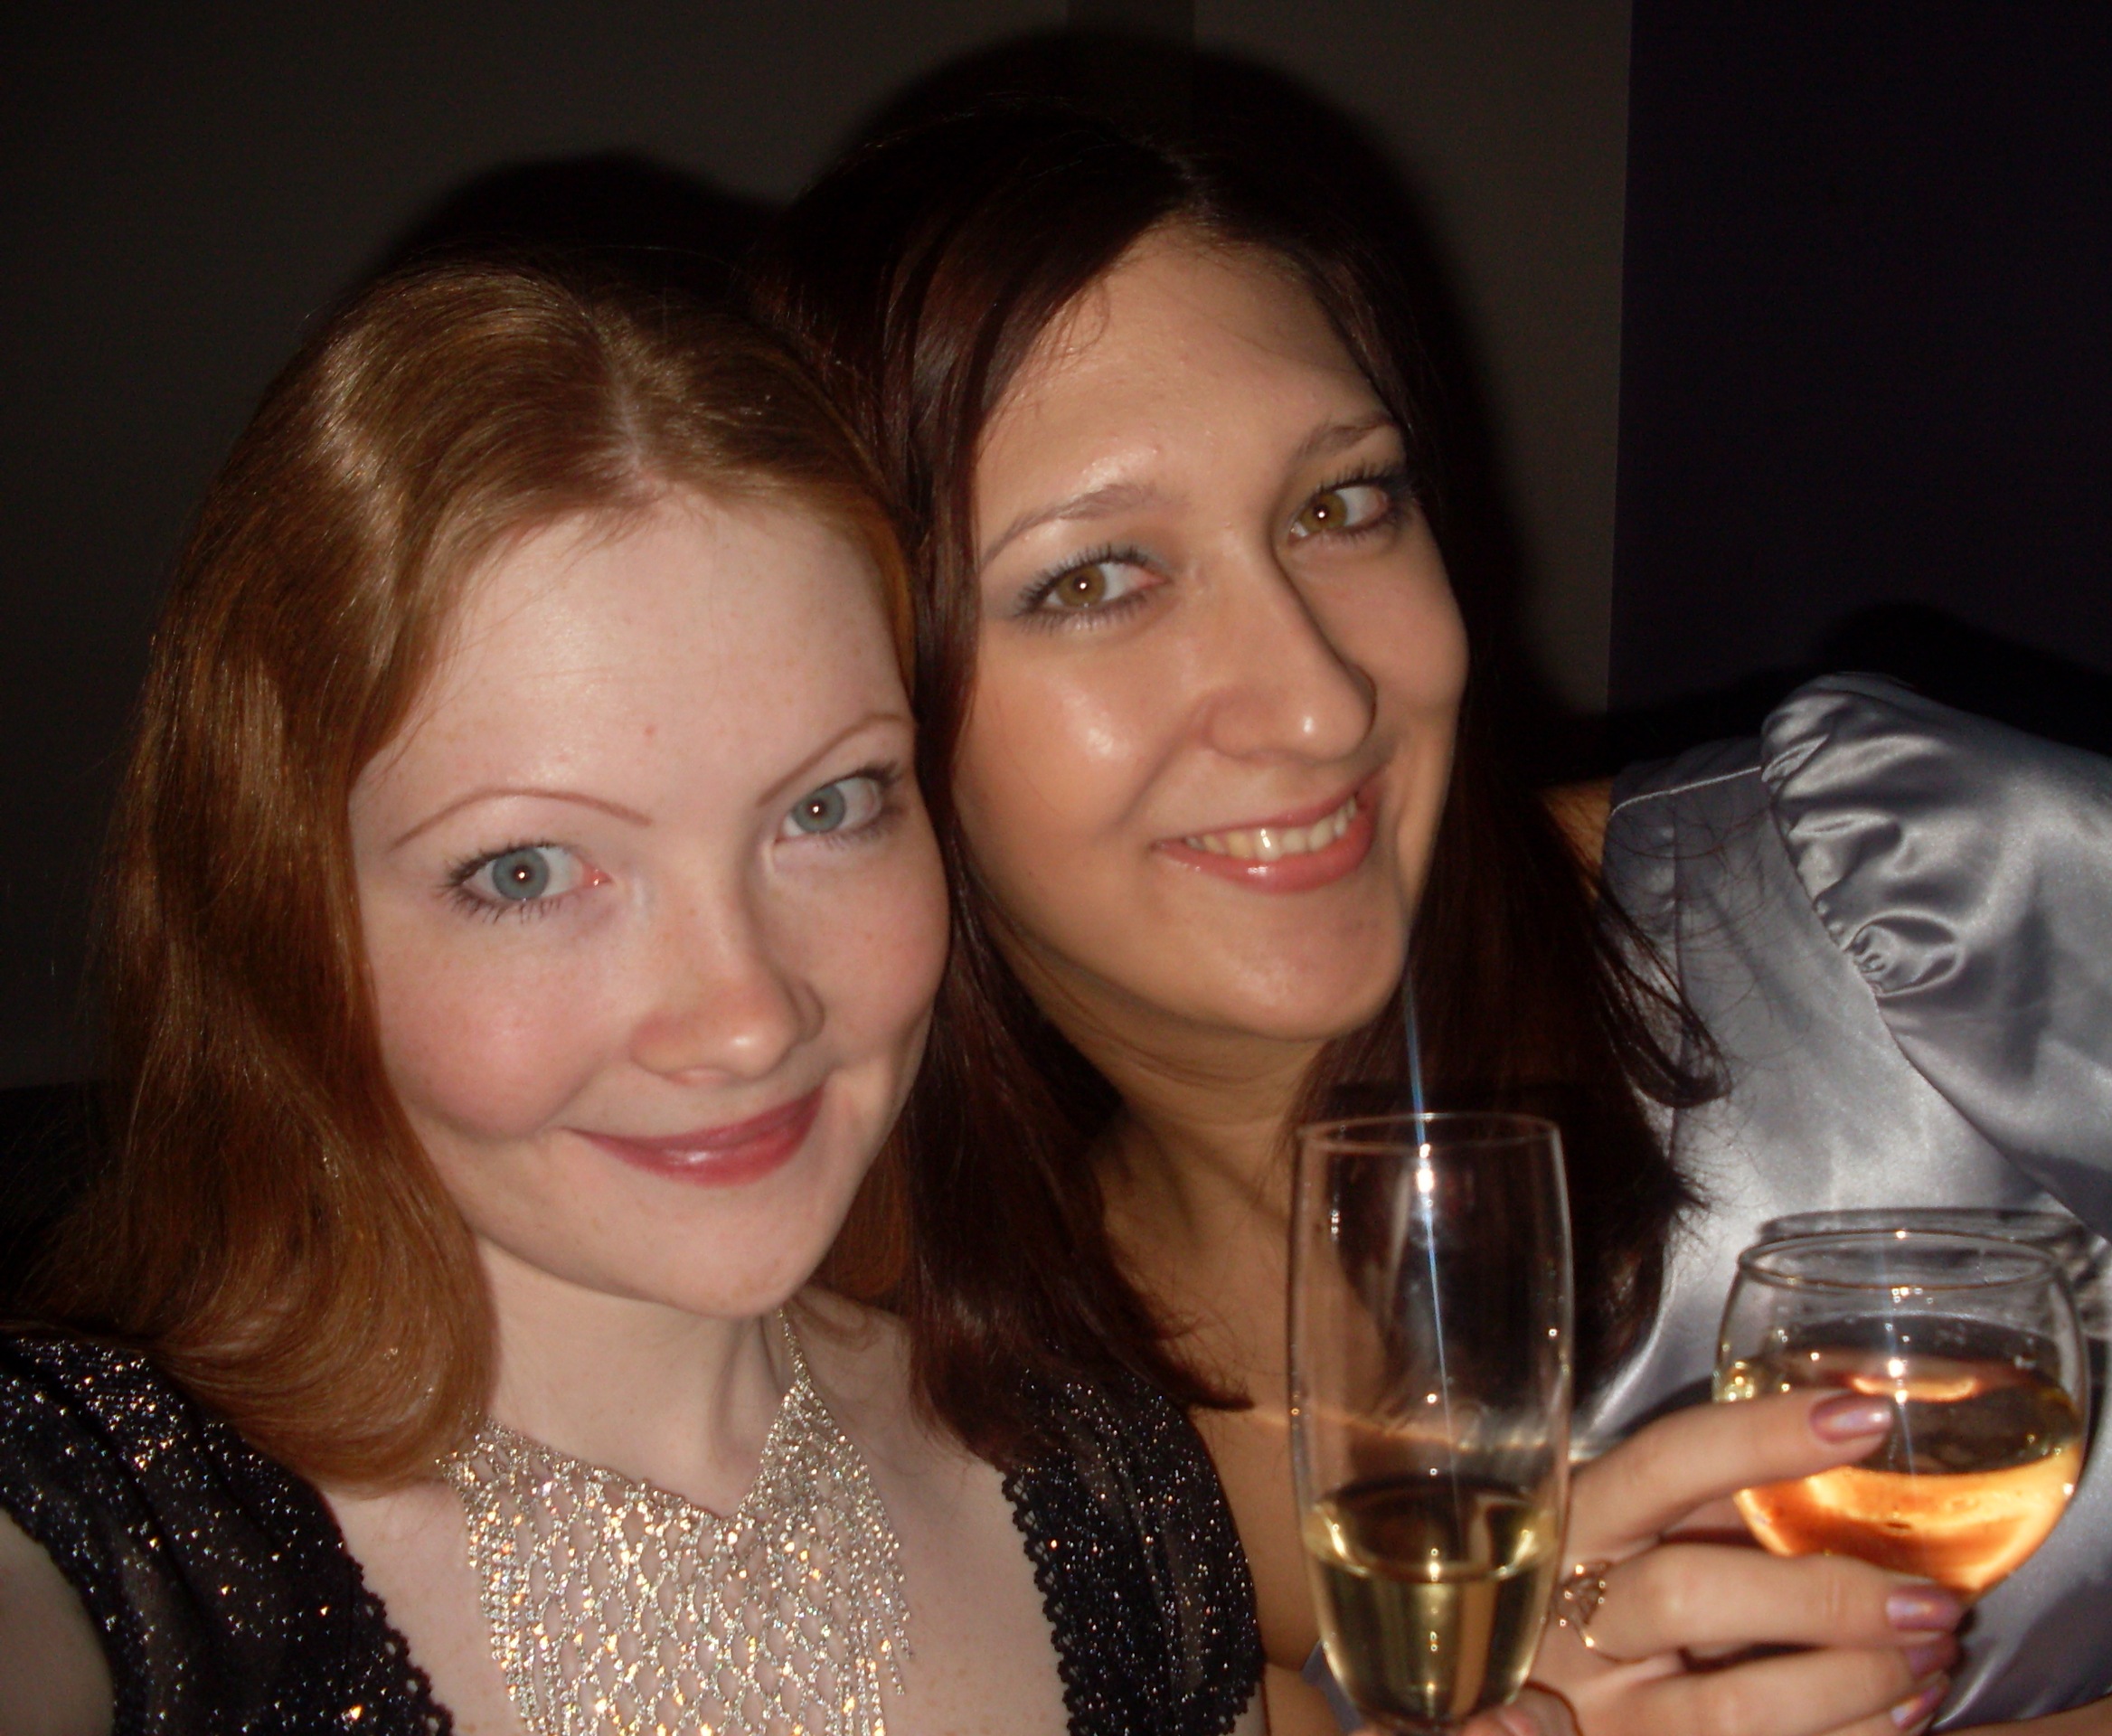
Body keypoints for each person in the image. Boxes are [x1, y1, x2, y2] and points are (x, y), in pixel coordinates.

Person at [757, 99, 2112, 1735]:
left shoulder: (1900, 891)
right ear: (858, 716)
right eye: (1093, 580)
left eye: (1341, 504)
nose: (1318, 698)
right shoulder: (1000, 1465)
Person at [0, 259, 1261, 1735]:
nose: (746, 1017)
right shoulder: (103, 1539)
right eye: (529, 872)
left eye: (829, 806)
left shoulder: (1117, 1490)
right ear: (286, 923)